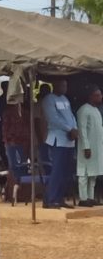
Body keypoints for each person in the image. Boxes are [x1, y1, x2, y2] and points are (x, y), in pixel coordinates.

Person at [42, 79, 77, 209]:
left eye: (65, 85)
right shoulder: (49, 99)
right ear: (54, 85)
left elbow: (71, 116)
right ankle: (50, 199)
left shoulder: (65, 99)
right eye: (62, 85)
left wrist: (75, 128)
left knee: (66, 172)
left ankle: (59, 198)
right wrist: (70, 129)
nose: (65, 87)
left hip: (69, 140)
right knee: (56, 171)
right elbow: (53, 119)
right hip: (58, 140)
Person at [76, 85, 103, 207]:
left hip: (97, 147)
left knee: (94, 173)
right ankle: (83, 198)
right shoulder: (84, 110)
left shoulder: (96, 110)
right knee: (84, 173)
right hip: (87, 148)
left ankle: (90, 197)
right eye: (97, 95)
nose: (100, 97)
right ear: (91, 96)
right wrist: (86, 147)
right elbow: (82, 130)